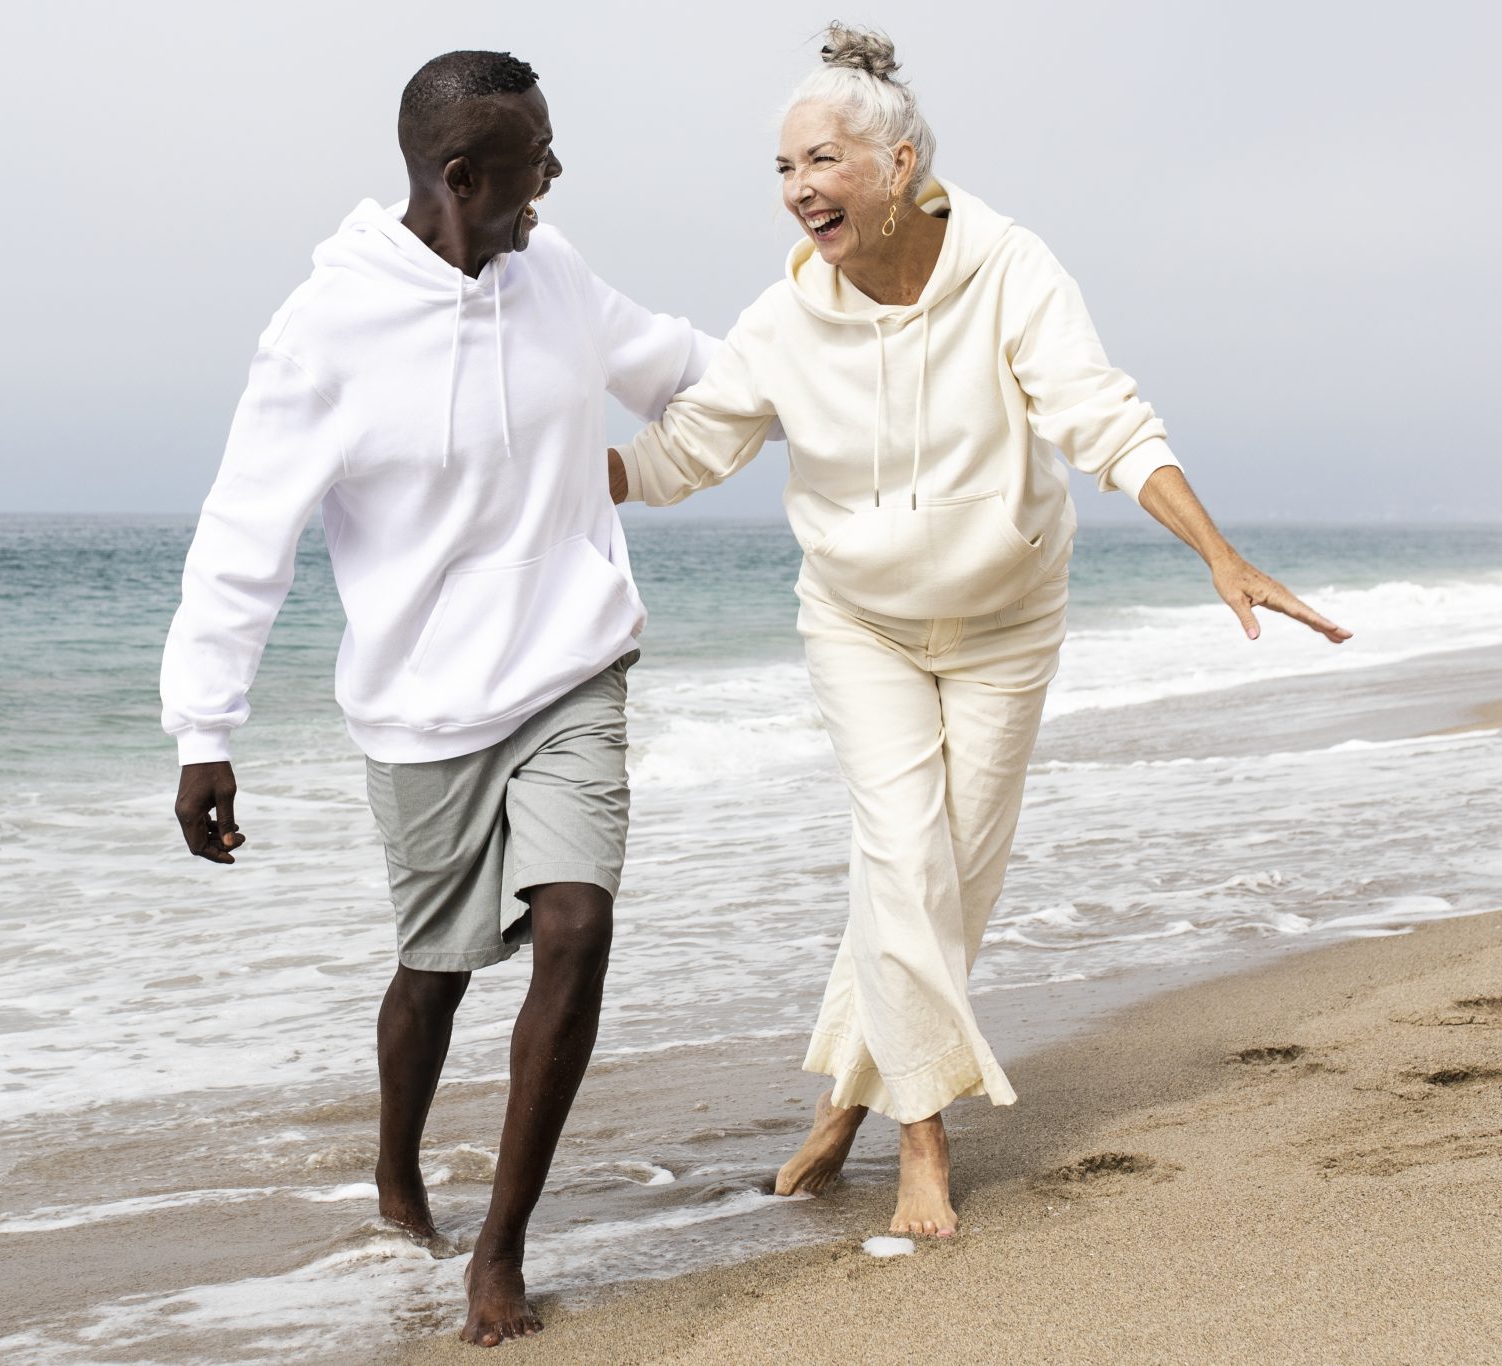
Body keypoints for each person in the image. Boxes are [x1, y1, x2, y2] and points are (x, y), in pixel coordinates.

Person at [607, 25, 1350, 1239]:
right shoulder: (782, 319)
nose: (798, 189)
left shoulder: (1008, 268)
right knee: (902, 861)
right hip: (862, 623)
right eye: (783, 169)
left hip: (1006, 622)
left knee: (947, 885)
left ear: (897, 165)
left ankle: (843, 1105)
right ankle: (922, 1148)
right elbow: (685, 449)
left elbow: (1100, 419)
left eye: (822, 160)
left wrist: (1219, 553)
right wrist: (554, 475)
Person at [161, 50, 720, 1347]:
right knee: (437, 969)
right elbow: (246, 533)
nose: (555, 183)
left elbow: (683, 363)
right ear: (462, 180)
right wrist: (206, 731)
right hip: (421, 707)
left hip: (573, 664)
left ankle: (499, 1245)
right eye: (536, 164)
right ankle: (397, 1164)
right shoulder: (326, 329)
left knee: (577, 925)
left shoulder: (554, 271)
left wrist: (833, 371)